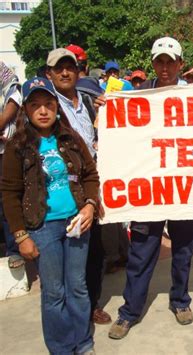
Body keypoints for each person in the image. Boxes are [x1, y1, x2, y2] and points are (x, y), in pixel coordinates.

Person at [1, 76, 99, 354]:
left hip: (77, 223)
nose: (43, 111)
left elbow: (90, 174)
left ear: (56, 107)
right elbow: (9, 193)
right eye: (36, 105)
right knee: (54, 292)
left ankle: (83, 343)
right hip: (42, 227)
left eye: (48, 104)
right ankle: (61, 348)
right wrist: (21, 236)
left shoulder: (70, 138)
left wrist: (90, 204)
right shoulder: (17, 146)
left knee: (78, 286)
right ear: (27, 110)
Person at [109, 36, 193, 340]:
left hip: (184, 189)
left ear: (180, 64)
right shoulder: (135, 97)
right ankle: (129, 312)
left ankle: (180, 301)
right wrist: (107, 110)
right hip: (147, 191)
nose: (164, 67)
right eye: (159, 61)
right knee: (141, 252)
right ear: (152, 64)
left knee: (184, 250)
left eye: (170, 61)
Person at [45, 48, 111, 325]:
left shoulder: (87, 101)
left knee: (94, 251)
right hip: (64, 191)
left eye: (69, 67)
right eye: (58, 68)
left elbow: (96, 135)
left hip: (92, 185)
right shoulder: (46, 107)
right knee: (67, 256)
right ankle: (69, 313)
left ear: (78, 71)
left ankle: (91, 304)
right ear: (49, 74)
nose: (64, 73)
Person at [0, 61, 23, 269]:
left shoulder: (1, 69)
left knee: (7, 199)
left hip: (3, 148)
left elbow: (14, 95)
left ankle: (14, 250)